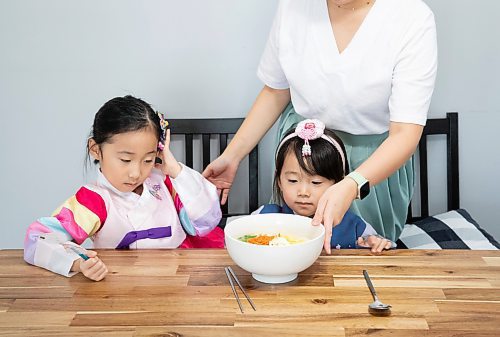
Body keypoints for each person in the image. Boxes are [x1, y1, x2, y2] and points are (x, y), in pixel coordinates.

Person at [203, 0, 437, 253]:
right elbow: (276, 91)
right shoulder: (293, 6)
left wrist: (352, 184)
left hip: (373, 162)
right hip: (304, 153)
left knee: (363, 253)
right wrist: (233, 155)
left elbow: (405, 134)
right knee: (290, 245)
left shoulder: (411, 17)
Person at [24, 95, 224, 281]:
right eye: (125, 159)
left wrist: (174, 169)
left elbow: (206, 220)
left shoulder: (163, 181)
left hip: (180, 277)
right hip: (122, 285)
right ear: (96, 150)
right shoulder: (94, 200)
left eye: (147, 159)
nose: (136, 173)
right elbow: (38, 239)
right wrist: (77, 262)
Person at [253, 119, 394, 252]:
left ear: (338, 184)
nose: (303, 192)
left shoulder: (354, 226)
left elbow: (385, 249)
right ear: (279, 181)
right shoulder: (263, 217)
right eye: (292, 180)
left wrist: (372, 244)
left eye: (316, 182)